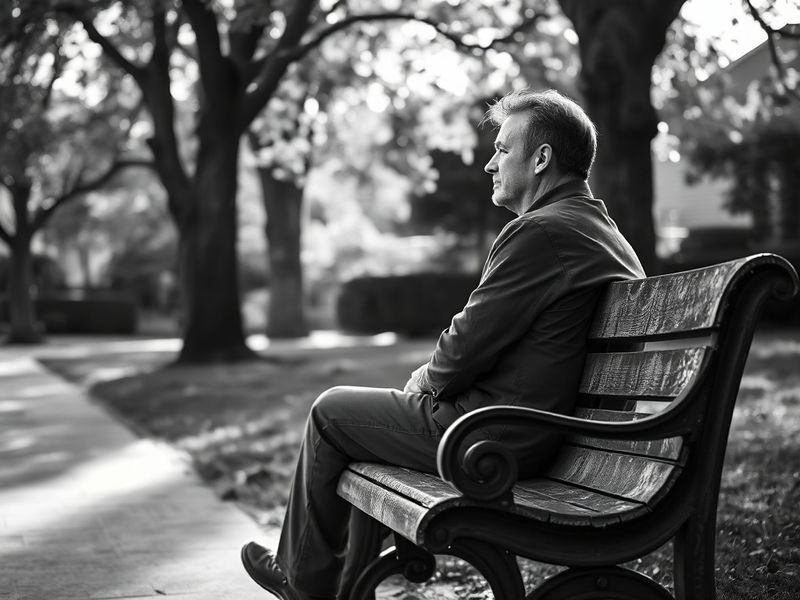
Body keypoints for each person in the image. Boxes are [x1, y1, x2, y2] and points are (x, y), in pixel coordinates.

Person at [241, 89, 645, 600]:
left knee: (331, 414)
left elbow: (462, 350)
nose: (489, 164)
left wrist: (422, 386)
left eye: (502, 149)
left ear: (541, 159)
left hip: (497, 437)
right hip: (545, 434)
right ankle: (338, 586)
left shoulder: (540, 233)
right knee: (361, 428)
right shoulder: (594, 228)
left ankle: (304, 582)